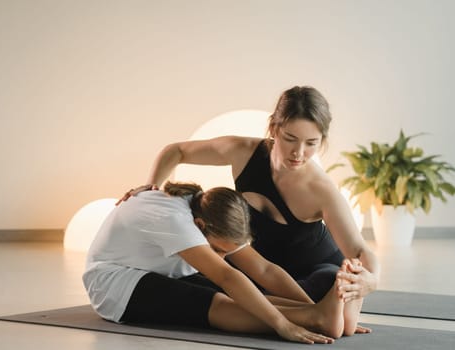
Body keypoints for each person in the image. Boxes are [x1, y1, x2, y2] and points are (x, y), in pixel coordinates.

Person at [120, 85, 380, 334]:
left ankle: (326, 310)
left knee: (326, 281)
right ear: (274, 128)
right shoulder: (243, 151)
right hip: (258, 269)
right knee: (198, 281)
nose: (298, 153)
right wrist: (151, 186)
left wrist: (372, 280)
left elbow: (359, 251)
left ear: (322, 140)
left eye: (311, 143)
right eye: (290, 138)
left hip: (311, 273)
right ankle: (323, 314)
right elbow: (175, 151)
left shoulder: (321, 189)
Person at [84, 181, 353, 344]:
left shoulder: (213, 210)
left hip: (160, 270)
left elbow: (264, 269)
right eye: (218, 250)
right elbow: (226, 276)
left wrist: (313, 304)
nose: (223, 257)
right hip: (115, 283)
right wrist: (283, 326)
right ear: (200, 227)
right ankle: (314, 318)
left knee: (244, 294)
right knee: (218, 300)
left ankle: (315, 314)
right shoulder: (173, 219)